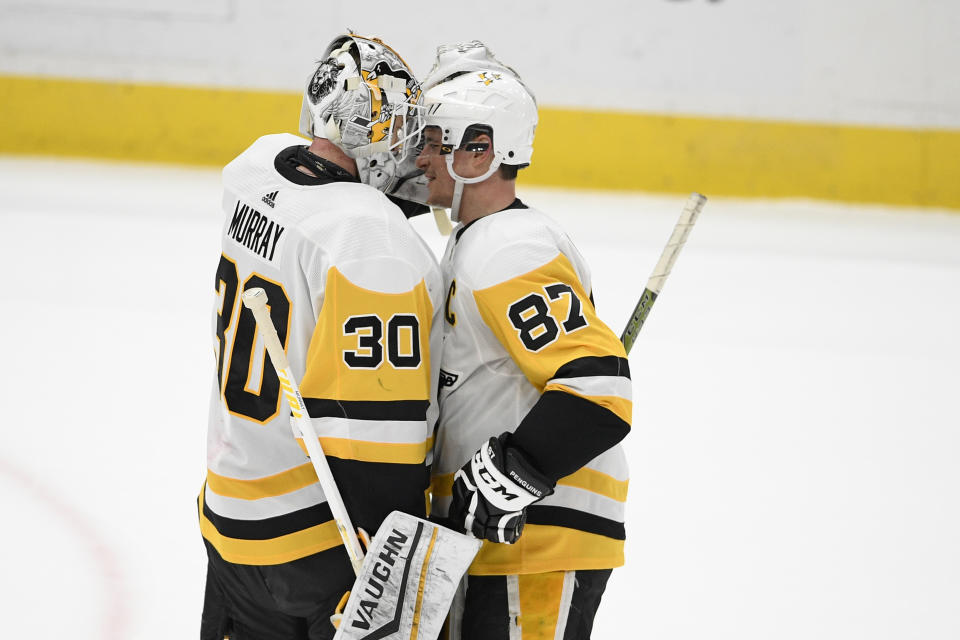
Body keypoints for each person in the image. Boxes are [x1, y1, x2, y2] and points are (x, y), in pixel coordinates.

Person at [198, 33, 443, 640]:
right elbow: (376, 438)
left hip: (227, 515)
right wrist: (391, 586)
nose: (411, 149)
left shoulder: (256, 170)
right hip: (312, 544)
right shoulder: (368, 237)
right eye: (402, 127)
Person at [416, 42, 633, 640]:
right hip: (497, 545)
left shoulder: (508, 247)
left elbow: (597, 389)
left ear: (482, 149)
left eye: (437, 140)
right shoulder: (478, 242)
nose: (421, 155)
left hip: (537, 542)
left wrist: (509, 474)